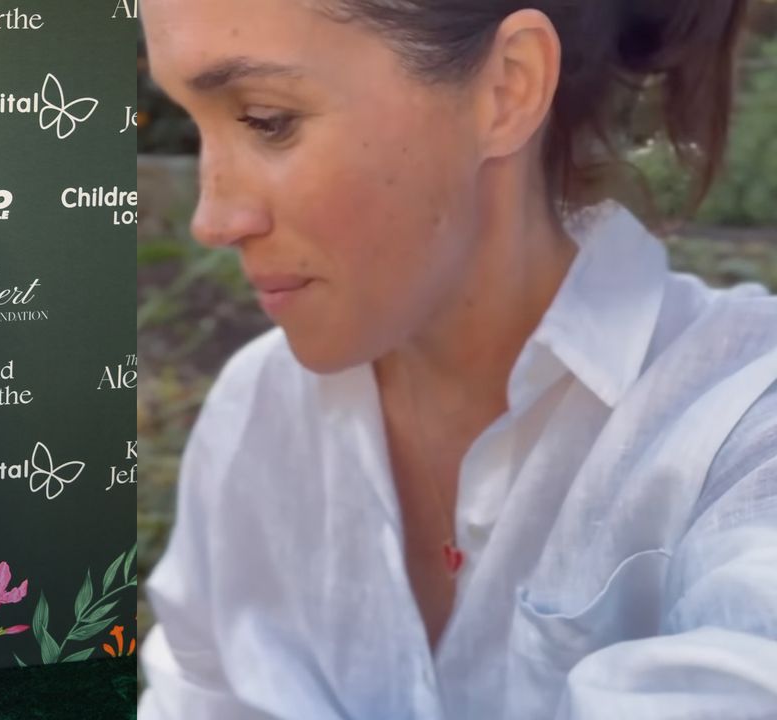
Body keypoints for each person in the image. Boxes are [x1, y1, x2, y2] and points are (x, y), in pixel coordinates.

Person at [141, 0, 777, 717]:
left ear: (508, 87)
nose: (212, 219)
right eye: (197, 126)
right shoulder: (256, 415)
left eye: (265, 118)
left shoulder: (745, 427)